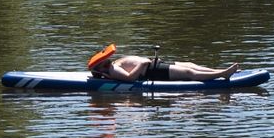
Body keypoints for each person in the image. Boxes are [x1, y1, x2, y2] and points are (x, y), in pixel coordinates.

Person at [85, 45, 239, 84]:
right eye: (103, 61)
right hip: (152, 71)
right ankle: (223, 74)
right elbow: (131, 78)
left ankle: (220, 70)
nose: (107, 59)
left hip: (155, 64)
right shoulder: (112, 71)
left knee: (190, 64)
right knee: (189, 73)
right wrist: (143, 63)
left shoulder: (111, 65)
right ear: (101, 68)